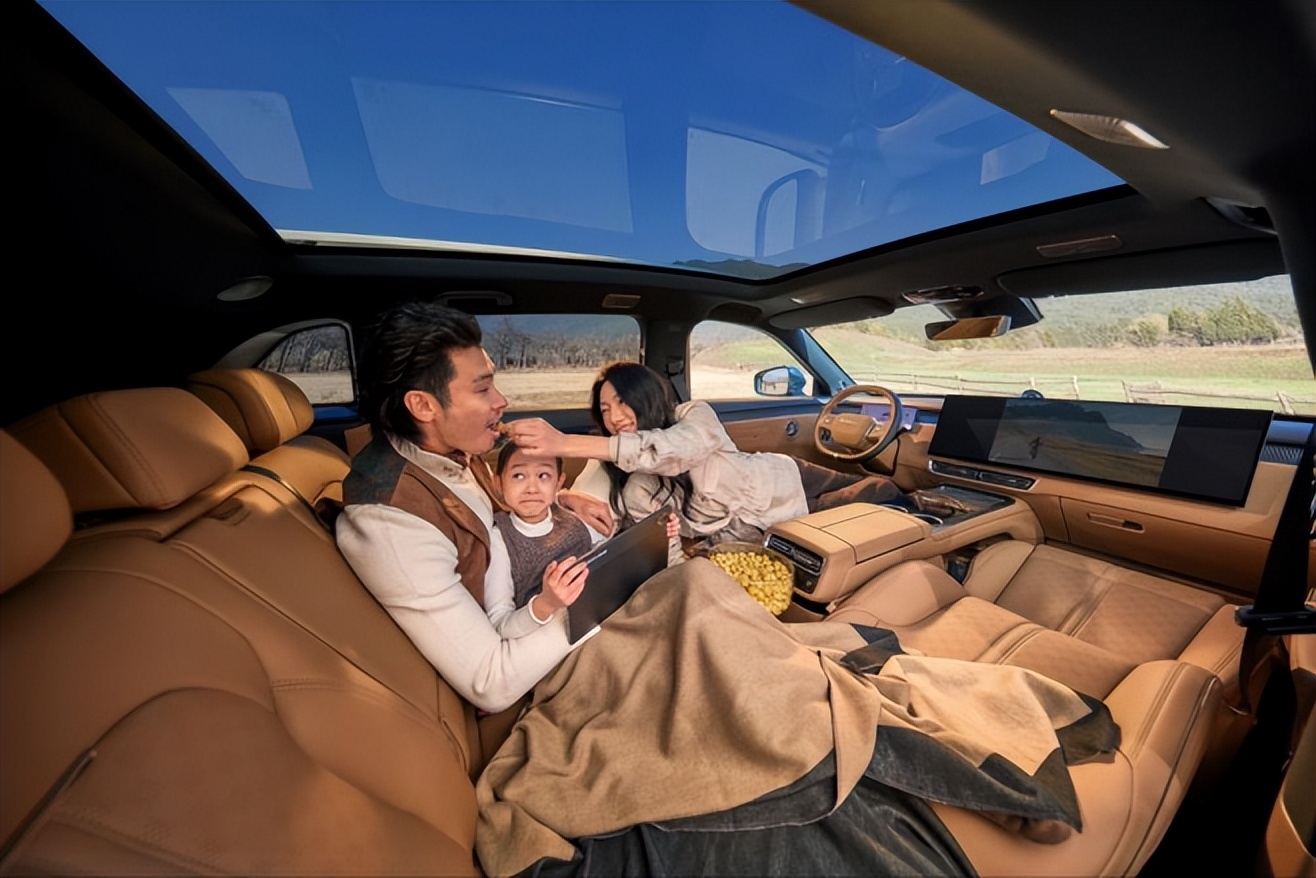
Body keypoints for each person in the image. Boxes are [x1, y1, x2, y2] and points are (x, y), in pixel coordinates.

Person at [335, 302, 613, 714]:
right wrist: (598, 599)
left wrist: (561, 499)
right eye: (482, 389)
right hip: (534, 655)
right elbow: (491, 681)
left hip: (537, 611)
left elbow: (489, 507)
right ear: (423, 406)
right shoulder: (390, 523)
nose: (502, 400)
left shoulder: (451, 450)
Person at [511, 361, 962, 544]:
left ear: (645, 396)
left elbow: (671, 451)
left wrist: (563, 442)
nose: (615, 417)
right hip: (761, 525)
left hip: (782, 477)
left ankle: (949, 519)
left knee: (879, 488)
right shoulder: (623, 478)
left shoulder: (692, 416)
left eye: (622, 403)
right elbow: (577, 503)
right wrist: (564, 498)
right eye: (605, 410)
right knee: (863, 509)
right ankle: (923, 521)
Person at [492, 441, 682, 610]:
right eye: (518, 476)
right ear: (498, 483)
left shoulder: (571, 514)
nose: (532, 489)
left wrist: (658, 535)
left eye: (543, 475)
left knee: (686, 583)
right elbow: (501, 620)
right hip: (557, 623)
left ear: (558, 483)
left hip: (606, 603)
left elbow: (611, 553)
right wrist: (546, 604)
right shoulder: (499, 540)